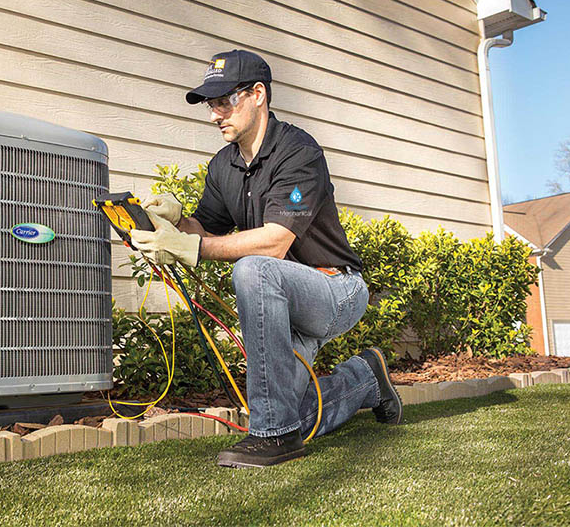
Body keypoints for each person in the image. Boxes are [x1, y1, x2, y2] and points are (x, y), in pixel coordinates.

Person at [130, 49, 402, 469]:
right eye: (211, 104)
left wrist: (192, 249)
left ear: (258, 94)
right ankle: (365, 379)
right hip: (281, 301)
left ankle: (273, 437)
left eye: (225, 101)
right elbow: (205, 229)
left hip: (335, 289)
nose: (215, 114)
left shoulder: (299, 152)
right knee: (292, 412)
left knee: (254, 269)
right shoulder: (223, 165)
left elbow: (275, 242)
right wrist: (174, 220)